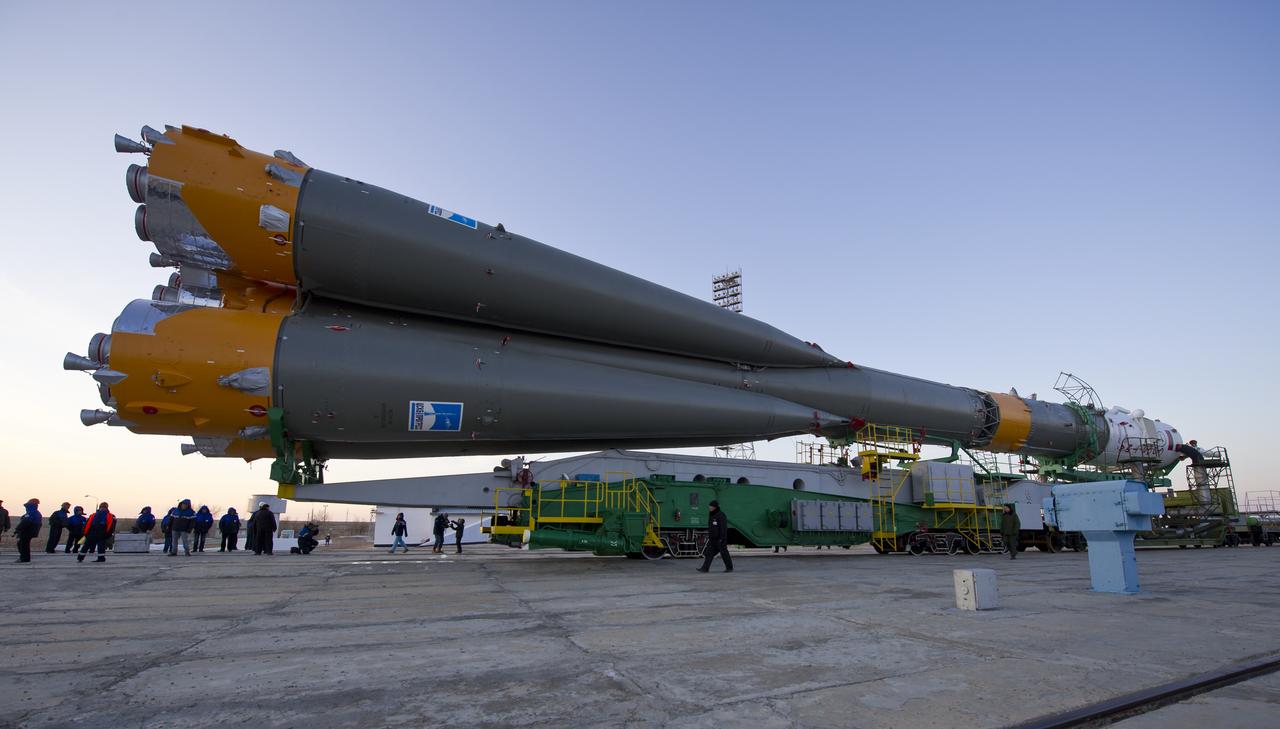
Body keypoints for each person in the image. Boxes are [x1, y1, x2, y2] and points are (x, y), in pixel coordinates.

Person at [697, 500, 733, 573]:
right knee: (709, 554)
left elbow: (723, 528)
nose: (709, 507)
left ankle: (729, 567)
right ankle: (705, 568)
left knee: (724, 553)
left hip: (720, 539)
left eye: (710, 506)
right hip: (713, 539)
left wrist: (721, 538)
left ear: (715, 507)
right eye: (709, 506)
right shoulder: (712, 515)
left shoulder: (721, 515)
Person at [12, 499, 42, 563]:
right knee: (23, 544)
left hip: (27, 531)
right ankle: (25, 558)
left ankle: (24, 558)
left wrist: (18, 529)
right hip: (31, 531)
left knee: (23, 545)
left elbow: (26, 522)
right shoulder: (36, 512)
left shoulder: (31, 512)